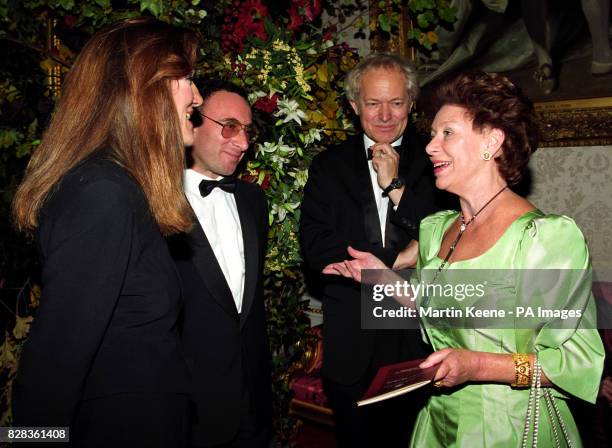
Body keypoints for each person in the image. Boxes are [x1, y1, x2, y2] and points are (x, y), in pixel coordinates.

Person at [325, 71, 605, 447]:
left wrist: (478, 366)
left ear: (492, 141)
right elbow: (441, 307)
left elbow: (578, 363)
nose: (429, 146)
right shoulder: (437, 231)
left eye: (448, 134)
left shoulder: (546, 238)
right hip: (438, 423)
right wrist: (379, 276)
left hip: (512, 428)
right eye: (433, 134)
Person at [10, 17, 202, 446]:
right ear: (143, 87)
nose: (197, 95)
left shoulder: (119, 189)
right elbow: (54, 361)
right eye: (186, 79)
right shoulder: (103, 193)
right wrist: (28, 440)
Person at [299, 53, 440, 447]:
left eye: (396, 102)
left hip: (420, 341)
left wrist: (396, 187)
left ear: (412, 104)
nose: (384, 115)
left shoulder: (438, 158)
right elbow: (317, 247)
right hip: (352, 347)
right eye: (373, 103)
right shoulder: (328, 166)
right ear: (354, 105)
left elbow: (445, 237)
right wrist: (395, 260)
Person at [170, 80, 272, 447]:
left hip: (253, 404)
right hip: (188, 410)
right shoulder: (152, 203)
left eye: (247, 131)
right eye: (229, 126)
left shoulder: (253, 201)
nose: (243, 143)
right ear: (192, 121)